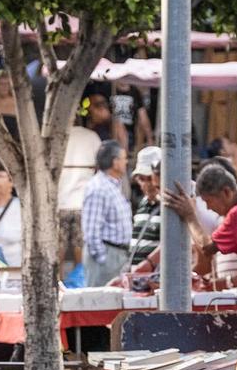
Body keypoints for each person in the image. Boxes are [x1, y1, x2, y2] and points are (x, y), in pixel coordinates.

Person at [158, 163, 237, 285]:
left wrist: (190, 216)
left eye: (209, 201)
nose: (208, 208)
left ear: (226, 192)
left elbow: (207, 248)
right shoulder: (228, 212)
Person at [79, 140, 131, 286]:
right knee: (100, 302)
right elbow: (91, 231)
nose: (126, 162)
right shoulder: (98, 188)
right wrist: (103, 258)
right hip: (106, 257)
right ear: (115, 162)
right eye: (123, 158)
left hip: (117, 255)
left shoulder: (113, 186)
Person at [56, 121, 101, 279]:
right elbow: (100, 165)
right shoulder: (91, 137)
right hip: (82, 202)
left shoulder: (54, 136)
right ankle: (80, 283)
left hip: (60, 201)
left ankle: (57, 285)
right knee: (80, 247)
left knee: (57, 249)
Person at [126, 145, 164, 267]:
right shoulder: (142, 203)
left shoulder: (168, 206)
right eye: (142, 179)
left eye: (150, 178)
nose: (147, 185)